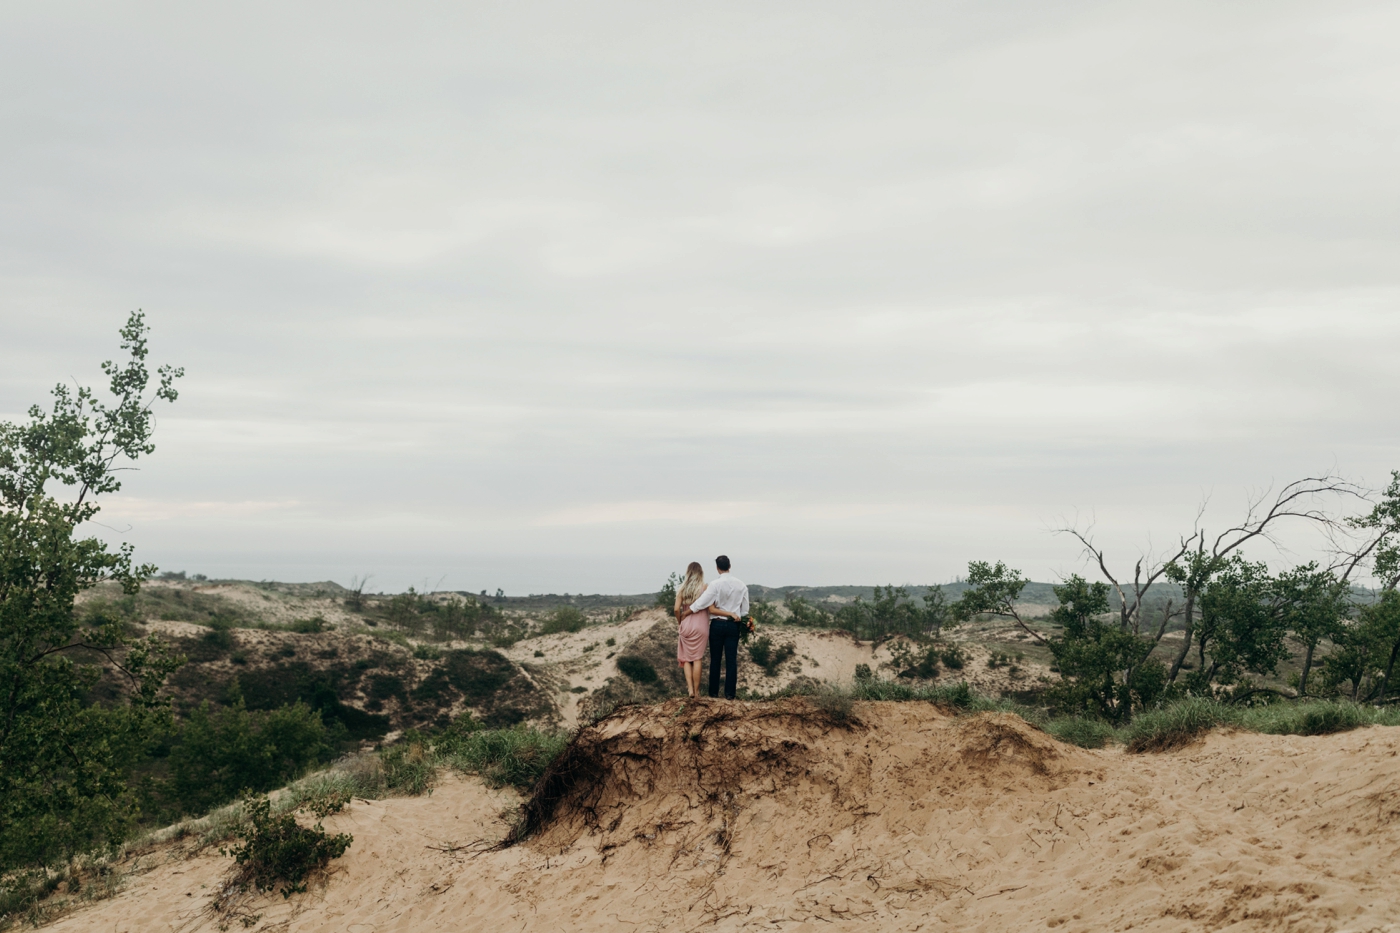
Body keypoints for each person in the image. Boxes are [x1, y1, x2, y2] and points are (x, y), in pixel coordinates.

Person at [689, 554, 749, 699]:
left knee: (715, 659)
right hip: (733, 625)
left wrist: (689, 611)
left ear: (717, 568)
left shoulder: (715, 584)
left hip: (716, 625)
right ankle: (730, 695)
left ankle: (713, 694)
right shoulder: (741, 585)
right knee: (731, 660)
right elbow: (745, 610)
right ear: (730, 566)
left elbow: (703, 601)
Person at [673, 562, 710, 698]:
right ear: (700, 573)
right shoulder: (705, 588)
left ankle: (690, 690)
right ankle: (697, 691)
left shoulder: (682, 589)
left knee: (687, 659)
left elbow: (676, 609)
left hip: (686, 625)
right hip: (701, 627)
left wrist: (680, 621)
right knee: (697, 658)